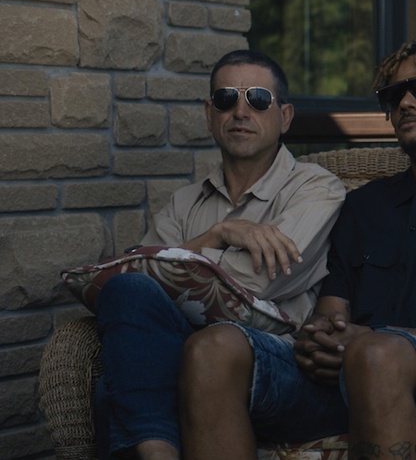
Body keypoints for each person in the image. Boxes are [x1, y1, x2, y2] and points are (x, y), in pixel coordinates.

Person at [179, 42, 416, 459]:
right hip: (340, 378)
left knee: (376, 355)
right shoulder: (362, 206)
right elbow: (332, 310)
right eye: (394, 94)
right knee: (211, 348)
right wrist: (323, 339)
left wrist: (371, 340)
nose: (406, 102)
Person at [91, 49, 346, 459]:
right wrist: (219, 234)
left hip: (279, 362)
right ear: (210, 115)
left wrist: (179, 265)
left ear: (284, 116)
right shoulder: (184, 203)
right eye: (227, 99)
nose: (241, 112)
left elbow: (258, 281)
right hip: (183, 351)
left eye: (258, 99)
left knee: (119, 388)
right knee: (126, 292)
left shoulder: (316, 188)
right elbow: (132, 276)